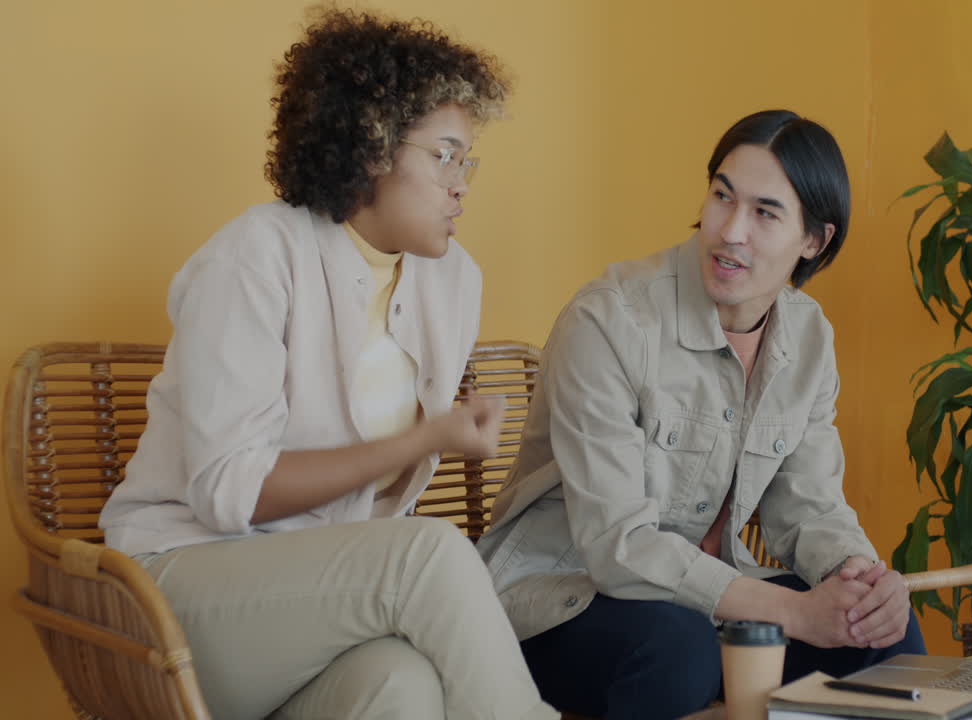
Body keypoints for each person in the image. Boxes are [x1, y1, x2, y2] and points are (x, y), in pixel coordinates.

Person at [98, 9, 557, 720]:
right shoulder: (256, 255)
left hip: (316, 606)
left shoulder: (454, 281)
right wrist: (423, 438)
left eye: (467, 161)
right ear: (372, 147)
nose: (462, 183)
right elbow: (229, 492)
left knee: (403, 685)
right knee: (426, 554)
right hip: (175, 595)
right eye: (444, 156)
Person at [477, 109, 926, 720]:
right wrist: (793, 612)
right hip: (557, 601)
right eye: (722, 196)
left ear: (813, 241)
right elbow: (617, 546)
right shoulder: (608, 321)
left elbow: (810, 508)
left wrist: (862, 582)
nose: (731, 231)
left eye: (765, 213)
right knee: (680, 649)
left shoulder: (809, 337)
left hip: (704, 602)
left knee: (882, 635)